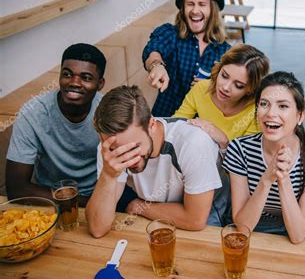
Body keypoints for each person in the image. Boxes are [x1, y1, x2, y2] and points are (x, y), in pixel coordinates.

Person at [86, 85, 223, 238]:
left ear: (151, 124)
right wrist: (108, 175)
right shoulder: (111, 150)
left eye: (134, 147)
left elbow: (195, 220)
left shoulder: (193, 143)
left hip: (210, 221)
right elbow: (97, 228)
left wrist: (139, 207)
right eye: (119, 151)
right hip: (157, 219)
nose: (128, 158)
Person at [223, 72, 305, 244]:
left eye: (283, 106)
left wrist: (283, 178)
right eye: (264, 104)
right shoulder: (239, 149)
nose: (271, 113)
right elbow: (243, 227)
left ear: (300, 116)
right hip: (251, 226)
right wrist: (266, 179)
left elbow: (298, 235)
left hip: (290, 228)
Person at [6, 43, 106, 206]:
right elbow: (16, 189)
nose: (74, 82)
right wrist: (83, 203)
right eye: (67, 74)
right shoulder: (33, 113)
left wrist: (99, 203)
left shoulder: (108, 111)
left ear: (100, 83)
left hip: (99, 197)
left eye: (86, 77)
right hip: (49, 199)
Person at [142, 0, 231, 117]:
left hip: (202, 126)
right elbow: (154, 49)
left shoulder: (225, 51)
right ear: (183, 8)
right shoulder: (171, 34)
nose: (195, 10)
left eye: (202, 4)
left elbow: (232, 94)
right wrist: (156, 66)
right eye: (190, 4)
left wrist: (213, 89)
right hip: (165, 119)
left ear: (212, 10)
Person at [173, 43, 270, 150]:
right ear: (219, 69)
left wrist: (224, 141)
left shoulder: (257, 113)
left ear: (251, 90)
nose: (226, 87)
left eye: (239, 85)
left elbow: (245, 161)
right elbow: (175, 124)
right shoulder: (201, 88)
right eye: (224, 76)